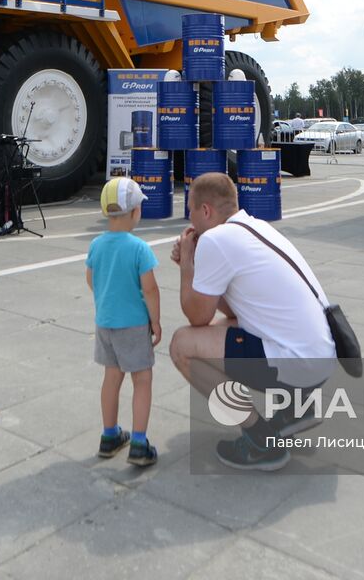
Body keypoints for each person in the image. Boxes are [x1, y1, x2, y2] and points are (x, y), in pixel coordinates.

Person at [169, 172, 335, 471]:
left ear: (205, 211)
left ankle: (259, 439)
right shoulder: (255, 227)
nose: (189, 219)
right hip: (318, 357)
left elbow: (196, 316)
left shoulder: (217, 240)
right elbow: (232, 312)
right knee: (221, 328)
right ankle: (294, 408)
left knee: (182, 346)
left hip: (297, 361)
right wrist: (198, 270)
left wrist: (186, 266)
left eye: (190, 210)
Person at [85, 177, 161, 467]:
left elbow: (91, 279)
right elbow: (150, 290)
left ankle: (109, 435)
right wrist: (156, 321)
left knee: (111, 378)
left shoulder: (96, 245)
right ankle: (139, 443)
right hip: (133, 325)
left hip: (105, 323)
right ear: (134, 212)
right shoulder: (139, 249)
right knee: (142, 380)